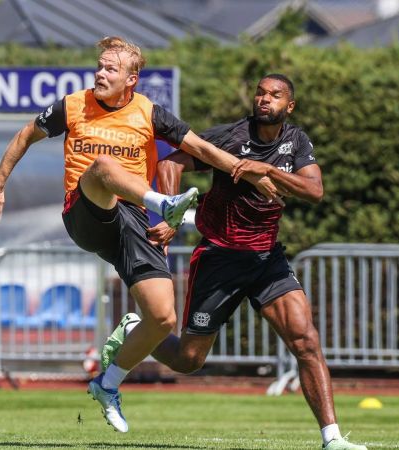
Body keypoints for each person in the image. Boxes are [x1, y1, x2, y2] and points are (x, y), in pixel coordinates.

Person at [0, 36, 276, 433]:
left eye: (111, 69)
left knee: (161, 317)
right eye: (99, 66)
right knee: (102, 167)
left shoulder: (150, 113)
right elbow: (24, 136)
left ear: (132, 79)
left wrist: (245, 167)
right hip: (87, 212)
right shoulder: (72, 106)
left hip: (134, 222)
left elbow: (203, 150)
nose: (100, 73)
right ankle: (164, 204)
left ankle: (108, 384)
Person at [103, 74, 367, 449]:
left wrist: (268, 171)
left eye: (274, 95)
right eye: (260, 92)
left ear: (288, 106)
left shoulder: (296, 141)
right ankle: (134, 330)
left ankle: (333, 439)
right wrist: (170, 218)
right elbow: (169, 165)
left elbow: (315, 190)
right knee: (189, 360)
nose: (264, 99)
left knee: (306, 342)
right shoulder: (228, 138)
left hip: (266, 260)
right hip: (220, 259)